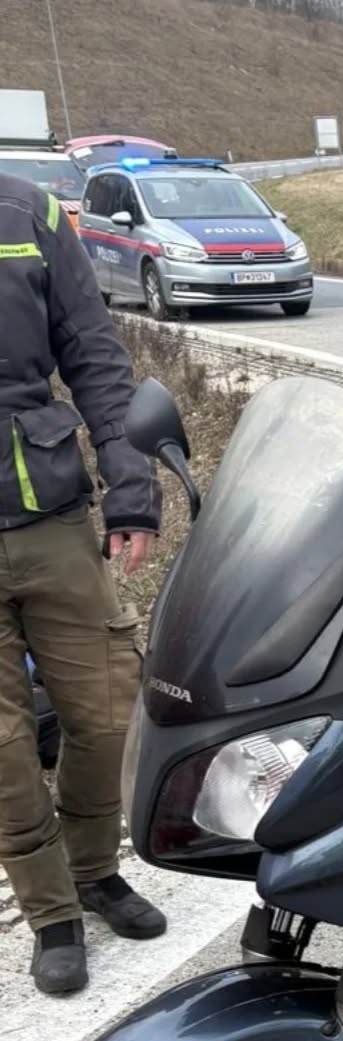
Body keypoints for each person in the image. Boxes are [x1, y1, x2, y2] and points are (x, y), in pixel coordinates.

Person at [0, 171, 168, 995]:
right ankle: (51, 911)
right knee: (3, 749)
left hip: (51, 514)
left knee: (106, 716)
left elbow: (96, 355)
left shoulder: (26, 209)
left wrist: (131, 487)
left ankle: (95, 869)